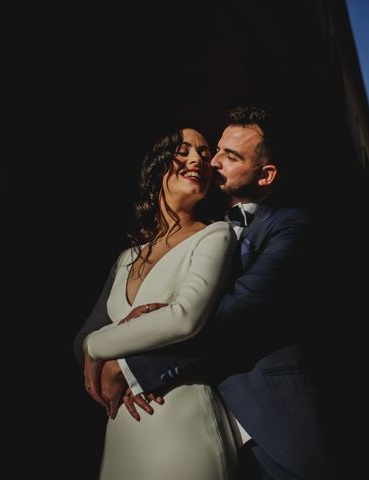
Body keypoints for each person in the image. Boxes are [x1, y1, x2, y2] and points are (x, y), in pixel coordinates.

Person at [75, 106, 329, 479]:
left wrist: (129, 364)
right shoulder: (150, 249)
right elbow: (85, 336)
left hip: (266, 421)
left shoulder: (289, 225)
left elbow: (234, 312)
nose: (212, 162)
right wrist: (114, 351)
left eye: (229, 155)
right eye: (216, 151)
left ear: (266, 174)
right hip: (146, 418)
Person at [74, 128, 238, 479]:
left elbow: (185, 318)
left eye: (204, 153)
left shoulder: (214, 235)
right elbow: (81, 337)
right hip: (121, 430)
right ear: (157, 167)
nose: (197, 159)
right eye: (183, 150)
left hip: (182, 422)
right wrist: (105, 345)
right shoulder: (126, 258)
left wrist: (103, 347)